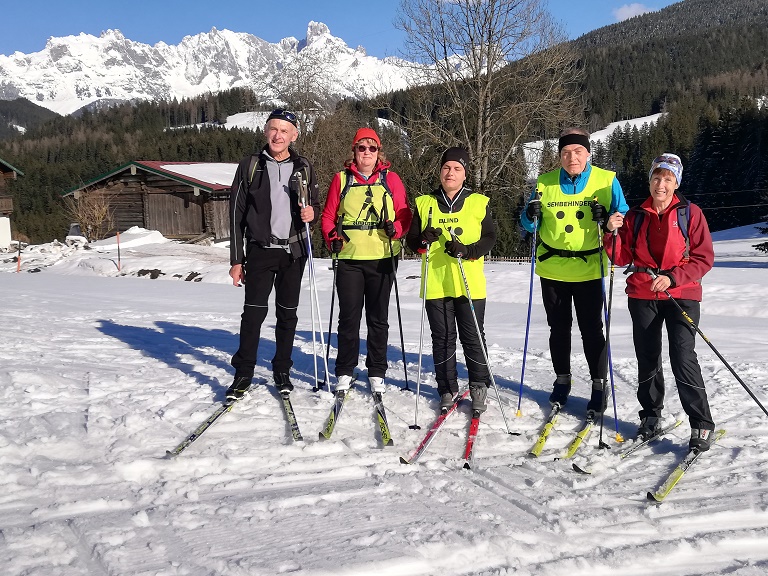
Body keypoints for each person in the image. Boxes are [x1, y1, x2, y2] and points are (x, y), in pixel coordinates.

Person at [606, 153, 716, 451]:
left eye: (668, 178)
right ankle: (650, 416)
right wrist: (609, 232)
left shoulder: (690, 213)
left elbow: (704, 258)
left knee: (683, 356)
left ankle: (701, 423)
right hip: (643, 294)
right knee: (648, 357)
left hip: (682, 294)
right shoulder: (636, 215)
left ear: (676, 182)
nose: (661, 184)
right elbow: (621, 257)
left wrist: (673, 277)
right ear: (650, 180)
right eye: (657, 177)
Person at [520, 127, 629, 417]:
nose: (572, 157)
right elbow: (528, 222)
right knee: (559, 329)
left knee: (592, 330)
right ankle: (562, 379)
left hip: (589, 267)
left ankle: (598, 383)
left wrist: (608, 221)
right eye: (566, 152)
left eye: (578, 151)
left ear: (588, 154)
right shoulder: (544, 183)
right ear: (559, 156)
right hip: (553, 267)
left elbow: (623, 217)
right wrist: (530, 216)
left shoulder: (606, 181)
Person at [226, 109, 320, 400]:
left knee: (287, 315)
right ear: (266, 132)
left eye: (284, 130)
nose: (278, 135)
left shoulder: (304, 166)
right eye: (273, 129)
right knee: (253, 315)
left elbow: (313, 204)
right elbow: (235, 213)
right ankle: (243, 373)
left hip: (293, 252)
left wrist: (312, 212)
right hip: (259, 250)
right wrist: (236, 259)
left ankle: (282, 370)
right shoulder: (250, 165)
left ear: (294, 136)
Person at [321, 127, 412, 393]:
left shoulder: (390, 179)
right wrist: (331, 238)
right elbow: (328, 216)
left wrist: (396, 228)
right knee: (348, 317)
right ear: (354, 151)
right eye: (362, 148)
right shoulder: (341, 179)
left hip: (383, 257)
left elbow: (404, 214)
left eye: (372, 148)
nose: (367, 153)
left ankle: (377, 370)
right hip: (349, 257)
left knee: (378, 317)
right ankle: (345, 370)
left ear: (379, 152)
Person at [406, 147, 496, 414]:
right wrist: (423, 238)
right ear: (440, 171)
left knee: (473, 337)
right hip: (437, 281)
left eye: (457, 169)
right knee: (442, 338)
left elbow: (489, 237)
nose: (450, 173)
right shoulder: (425, 202)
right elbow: (412, 242)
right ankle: (447, 387)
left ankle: (479, 385)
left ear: (465, 174)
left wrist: (467, 251)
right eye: (446, 168)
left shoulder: (479, 201)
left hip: (469, 281)